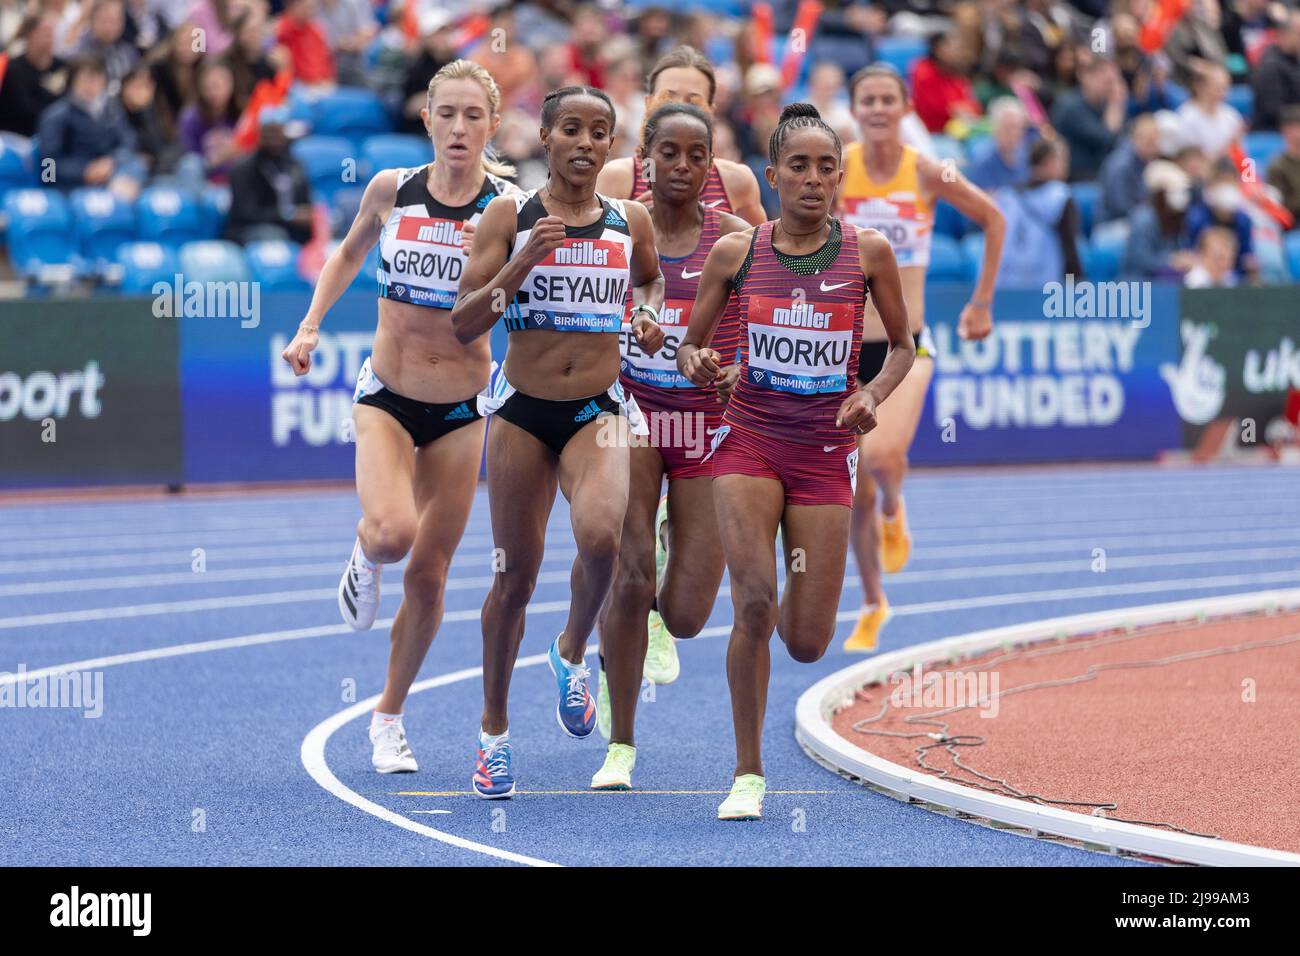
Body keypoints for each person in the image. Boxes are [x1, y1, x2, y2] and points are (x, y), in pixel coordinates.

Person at [278, 60, 518, 775]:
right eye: (447, 113)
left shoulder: (507, 208)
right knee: (391, 536)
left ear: (491, 125)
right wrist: (310, 325)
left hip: (463, 406)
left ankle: (388, 716)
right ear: (427, 119)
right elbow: (348, 251)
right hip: (386, 392)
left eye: (473, 115)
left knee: (431, 578)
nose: (459, 127)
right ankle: (363, 552)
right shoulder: (393, 191)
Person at [676, 104, 914, 820]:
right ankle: (747, 773)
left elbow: (903, 348)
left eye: (826, 168)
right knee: (753, 603)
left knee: (807, 643)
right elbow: (692, 348)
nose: (813, 180)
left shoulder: (868, 253)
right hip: (748, 442)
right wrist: (702, 362)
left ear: (841, 178)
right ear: (773, 175)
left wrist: (871, 394)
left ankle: (788, 613)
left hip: (823, 455)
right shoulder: (738, 252)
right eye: (799, 167)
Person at [451, 86, 665, 799]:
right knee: (514, 580)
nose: (584, 142)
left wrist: (644, 318)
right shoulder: (507, 215)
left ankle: (574, 650)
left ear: (610, 145)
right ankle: (493, 734)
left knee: (603, 536)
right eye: (570, 128)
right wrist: (518, 266)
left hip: (598, 408)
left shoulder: (629, 218)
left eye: (598, 132)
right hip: (522, 415)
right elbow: (463, 322)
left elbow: (651, 282)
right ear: (543, 135)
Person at [590, 100, 751, 789]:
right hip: (630, 416)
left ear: (710, 166)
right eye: (668, 153)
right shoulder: (614, 228)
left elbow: (761, 343)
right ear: (643, 160)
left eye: (695, 155)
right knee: (627, 577)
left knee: (684, 616)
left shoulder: (742, 240)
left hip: (705, 428)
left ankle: (658, 574)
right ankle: (620, 745)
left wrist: (731, 370)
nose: (681, 167)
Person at [837, 64, 1003, 651]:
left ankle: (894, 502)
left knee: (880, 455)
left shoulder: (928, 173)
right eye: (867, 99)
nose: (878, 108)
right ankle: (873, 601)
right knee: (850, 484)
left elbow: (993, 217)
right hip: (844, 347)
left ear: (906, 107)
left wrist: (980, 303)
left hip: (908, 345)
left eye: (888, 99)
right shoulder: (836, 172)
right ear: (854, 108)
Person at [597, 45, 767, 226]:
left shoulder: (737, 181)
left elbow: (761, 249)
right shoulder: (617, 178)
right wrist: (623, 226)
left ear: (711, 111)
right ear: (648, 103)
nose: (679, 110)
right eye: (668, 99)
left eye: (694, 102)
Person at [996, 138, 1083, 287]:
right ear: (1051, 161)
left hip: (1007, 288)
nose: (1066, 166)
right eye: (1063, 160)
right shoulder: (1061, 197)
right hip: (1048, 289)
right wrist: (1076, 287)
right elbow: (1070, 250)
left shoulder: (1005, 196)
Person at [223, 107, 313, 245]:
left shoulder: (295, 165)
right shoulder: (243, 168)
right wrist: (286, 215)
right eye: (269, 133)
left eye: (277, 132)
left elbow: (305, 203)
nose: (274, 139)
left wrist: (311, 216)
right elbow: (245, 214)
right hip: (249, 230)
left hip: (290, 228)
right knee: (274, 235)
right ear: (260, 134)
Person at [1051, 56, 1126, 181]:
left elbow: (1123, 140)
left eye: (1115, 82)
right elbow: (1105, 139)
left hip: (1098, 176)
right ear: (1087, 77)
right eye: (1107, 82)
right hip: (1076, 179)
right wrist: (1115, 106)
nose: (1112, 88)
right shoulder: (1071, 106)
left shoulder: (1102, 105)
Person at [0, 12, 68, 138]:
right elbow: (23, 109)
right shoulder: (14, 68)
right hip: (18, 136)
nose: (49, 38)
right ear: (29, 36)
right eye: (45, 33)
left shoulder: (62, 67)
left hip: (54, 135)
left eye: (51, 33)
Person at [1096, 113, 1160, 224]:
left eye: (1156, 141)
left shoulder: (1144, 161)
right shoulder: (1121, 166)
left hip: (1131, 221)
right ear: (1136, 138)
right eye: (1150, 142)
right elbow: (1121, 209)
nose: (1155, 148)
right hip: (1113, 225)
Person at [965, 96, 1030, 192]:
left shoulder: (1025, 151)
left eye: (1019, 128)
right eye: (1008, 128)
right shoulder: (982, 158)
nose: (1015, 133)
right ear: (995, 129)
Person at [1252, 10, 1300, 131]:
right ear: (1283, 35)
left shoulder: (1294, 61)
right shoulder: (1270, 66)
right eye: (1299, 33)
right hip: (1275, 133)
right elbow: (1274, 112)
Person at [1266, 104, 1300, 222]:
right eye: (1294, 128)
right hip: (1293, 219)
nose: (1298, 134)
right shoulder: (1278, 166)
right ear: (1285, 131)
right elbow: (1277, 203)